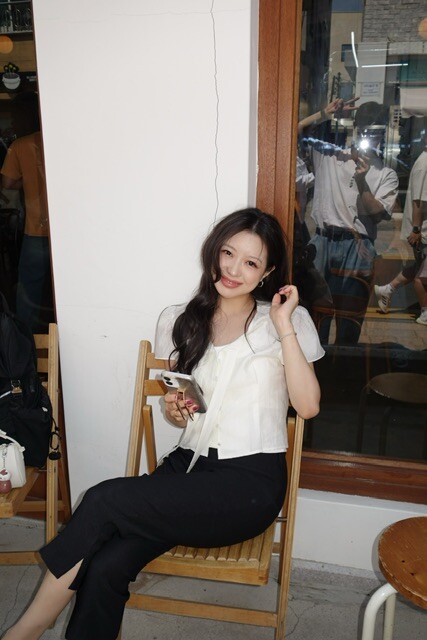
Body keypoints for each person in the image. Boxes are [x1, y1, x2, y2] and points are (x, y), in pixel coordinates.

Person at [3, 208, 323, 640]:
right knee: (107, 564)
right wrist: (175, 409)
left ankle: (24, 633)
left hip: (248, 484)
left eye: (250, 262)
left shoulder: (286, 321)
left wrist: (283, 327)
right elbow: (181, 407)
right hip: (185, 470)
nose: (233, 269)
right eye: (228, 253)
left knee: (101, 500)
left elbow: (307, 406)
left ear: (266, 273)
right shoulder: (181, 319)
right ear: (214, 251)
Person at [298, 98, 399, 344]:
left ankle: (344, 364)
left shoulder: (386, 173)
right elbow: (294, 131)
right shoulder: (330, 156)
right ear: (355, 128)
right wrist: (324, 113)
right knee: (315, 321)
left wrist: (362, 182)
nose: (369, 138)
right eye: (365, 131)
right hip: (323, 240)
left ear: (383, 133)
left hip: (358, 246)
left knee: (349, 323)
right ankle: (317, 366)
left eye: (375, 132)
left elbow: (375, 213)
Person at [0, 91, 52, 332]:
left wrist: (28, 182)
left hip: (36, 229)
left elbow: (8, 183)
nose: (13, 121)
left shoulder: (20, 146)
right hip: (66, 230)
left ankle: (28, 342)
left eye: (15, 116)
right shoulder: (59, 139)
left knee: (29, 290)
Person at [374, 127, 427, 325]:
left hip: (421, 229)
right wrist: (416, 229)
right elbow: (418, 201)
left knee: (420, 267)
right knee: (422, 274)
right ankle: (425, 312)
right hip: (422, 230)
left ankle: (387, 289)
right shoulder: (424, 165)